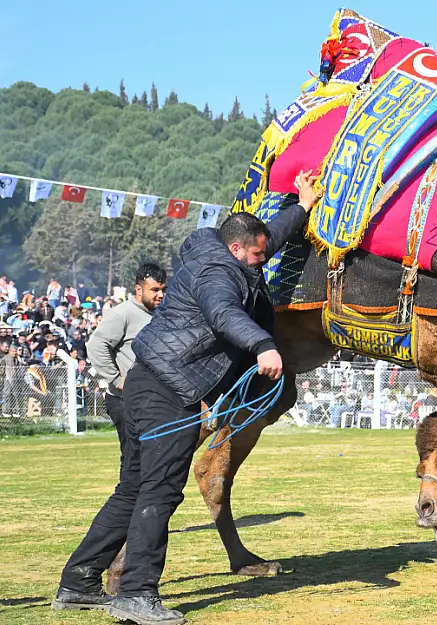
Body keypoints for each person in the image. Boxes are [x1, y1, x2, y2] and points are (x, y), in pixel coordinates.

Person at [53, 171, 319, 625]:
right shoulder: (218, 273)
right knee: (159, 490)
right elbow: (222, 312)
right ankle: (137, 593)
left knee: (132, 488)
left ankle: (77, 582)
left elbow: (266, 237)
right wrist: (262, 345)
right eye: (256, 257)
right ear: (237, 249)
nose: (262, 261)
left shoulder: (226, 251)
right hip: (168, 392)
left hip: (145, 382)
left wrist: (303, 206)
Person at [86, 263, 167, 449]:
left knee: (152, 457)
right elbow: (96, 347)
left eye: (163, 289)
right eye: (154, 290)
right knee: (134, 459)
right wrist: (117, 380)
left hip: (153, 400)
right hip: (124, 401)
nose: (160, 295)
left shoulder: (161, 314)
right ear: (139, 289)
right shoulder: (122, 313)